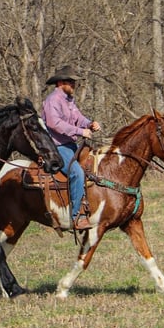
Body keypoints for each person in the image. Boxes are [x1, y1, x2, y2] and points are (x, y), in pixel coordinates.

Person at [42, 65, 101, 231]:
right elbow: (55, 124)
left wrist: (89, 123)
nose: (74, 85)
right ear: (61, 82)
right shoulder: (52, 100)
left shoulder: (69, 100)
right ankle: (77, 217)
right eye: (71, 81)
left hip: (70, 144)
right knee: (77, 173)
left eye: (75, 82)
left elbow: (78, 117)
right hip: (57, 146)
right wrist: (80, 131)